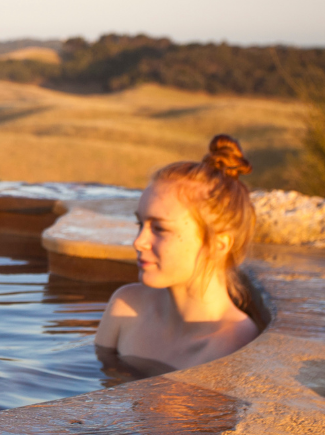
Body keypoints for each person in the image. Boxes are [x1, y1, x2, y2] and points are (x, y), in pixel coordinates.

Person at [95, 135, 260, 376]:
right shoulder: (125, 307)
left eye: (160, 229)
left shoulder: (234, 346)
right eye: (140, 224)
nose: (138, 242)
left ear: (218, 244)